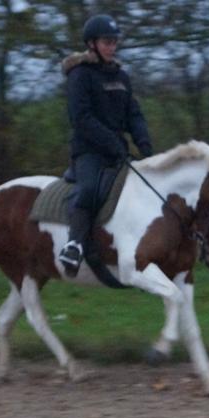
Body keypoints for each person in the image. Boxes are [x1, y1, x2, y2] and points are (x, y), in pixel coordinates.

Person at [58, 14, 153, 275]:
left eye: (114, 42)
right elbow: (82, 119)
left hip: (117, 152)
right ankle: (74, 245)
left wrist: (145, 145)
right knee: (88, 189)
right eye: (106, 42)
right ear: (92, 44)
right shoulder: (80, 75)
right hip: (89, 151)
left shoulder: (121, 77)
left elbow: (133, 114)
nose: (111, 47)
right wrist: (113, 143)